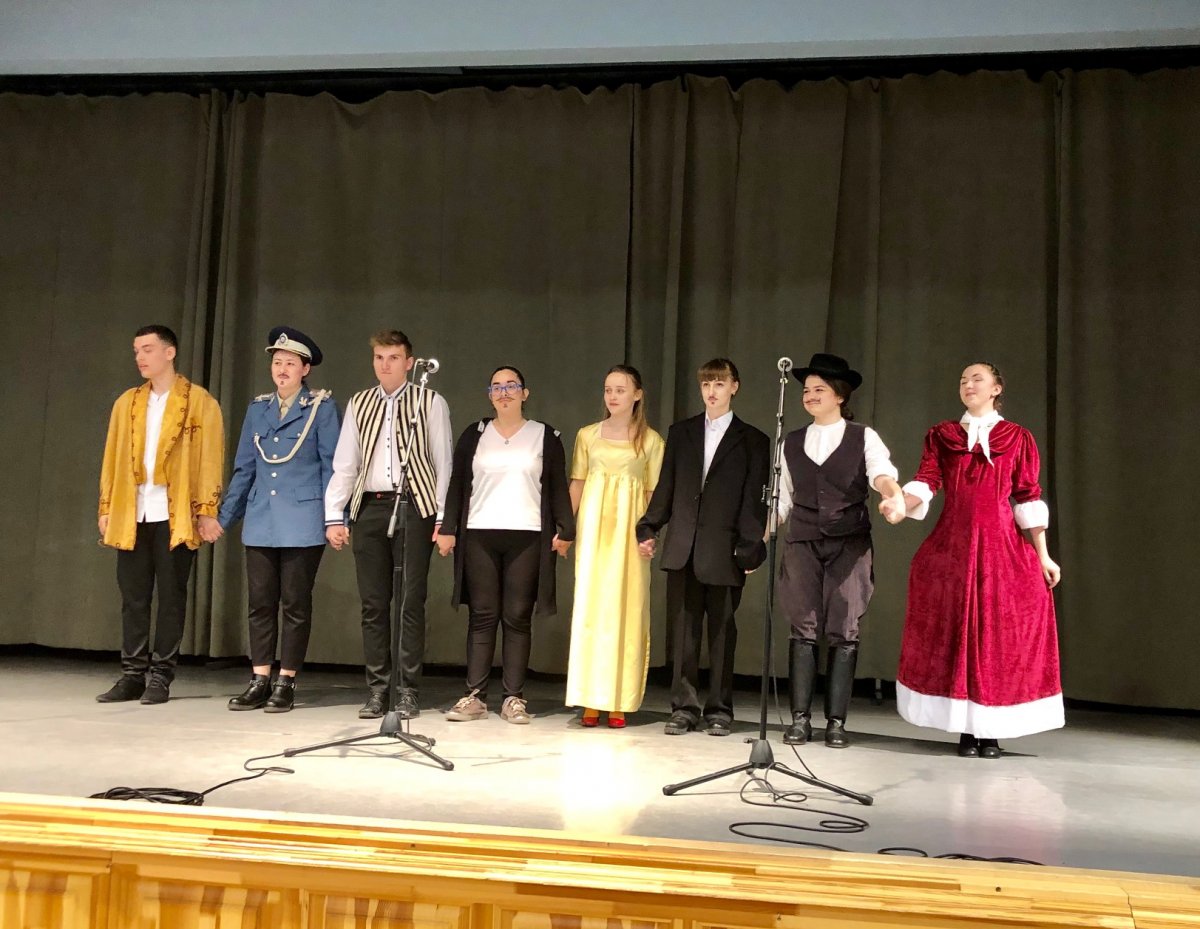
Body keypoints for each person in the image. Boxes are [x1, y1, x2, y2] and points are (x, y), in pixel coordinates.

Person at [895, 362, 1063, 759]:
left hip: (1001, 547)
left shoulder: (1017, 438)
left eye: (977, 379)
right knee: (957, 633)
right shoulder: (943, 435)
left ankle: (991, 733)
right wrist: (901, 503)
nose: (968, 385)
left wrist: (1043, 555)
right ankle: (966, 731)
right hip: (954, 546)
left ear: (996, 388)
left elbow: (1027, 495)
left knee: (995, 638)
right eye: (963, 380)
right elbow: (928, 480)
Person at [776, 353, 905, 749]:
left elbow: (881, 473)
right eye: (806, 390)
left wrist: (893, 495)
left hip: (848, 543)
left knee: (844, 629)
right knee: (803, 627)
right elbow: (782, 499)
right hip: (802, 542)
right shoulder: (790, 441)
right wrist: (758, 536)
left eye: (820, 389)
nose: (810, 396)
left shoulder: (863, 436)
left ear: (840, 395)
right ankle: (800, 719)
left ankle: (836, 722)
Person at [636, 358, 769, 737]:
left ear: (734, 387)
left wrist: (750, 546)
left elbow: (753, 500)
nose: (712, 391)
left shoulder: (753, 440)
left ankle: (720, 708)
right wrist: (649, 526)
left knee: (723, 632)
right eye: (706, 384)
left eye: (719, 384)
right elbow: (668, 485)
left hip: (725, 549)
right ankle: (684, 707)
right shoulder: (682, 432)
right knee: (684, 632)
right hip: (684, 545)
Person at [323, 330, 452, 720]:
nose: (385, 365)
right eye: (379, 357)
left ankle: (407, 690)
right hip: (370, 507)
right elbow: (346, 463)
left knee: (410, 601)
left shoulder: (429, 401)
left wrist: (443, 516)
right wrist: (335, 513)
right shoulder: (360, 403)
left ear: (409, 363)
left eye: (393, 358)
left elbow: (443, 460)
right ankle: (378, 689)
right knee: (373, 603)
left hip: (415, 505)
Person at [436, 366, 575, 724]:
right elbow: (458, 483)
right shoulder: (475, 434)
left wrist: (566, 529)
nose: (504, 392)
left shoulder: (544, 436)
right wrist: (448, 527)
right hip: (479, 533)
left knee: (516, 617)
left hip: (527, 535)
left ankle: (513, 697)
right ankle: (474, 696)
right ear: (490, 395)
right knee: (483, 615)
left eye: (511, 386)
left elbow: (557, 486)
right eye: (496, 387)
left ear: (524, 394)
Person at [96, 324, 224, 705]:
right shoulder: (127, 403)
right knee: (133, 597)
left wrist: (206, 510)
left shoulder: (199, 402)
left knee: (171, 596)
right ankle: (132, 673)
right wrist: (107, 507)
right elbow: (111, 458)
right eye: (137, 350)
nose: (140, 357)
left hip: (175, 513)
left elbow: (210, 460)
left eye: (148, 349)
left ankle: (161, 675)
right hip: (133, 512)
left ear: (170, 353)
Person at [216, 327, 341, 713]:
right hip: (261, 520)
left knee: (295, 604)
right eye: (277, 362)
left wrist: (336, 518)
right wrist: (225, 517)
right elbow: (244, 468)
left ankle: (286, 680)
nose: (282, 369)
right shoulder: (258, 409)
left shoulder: (320, 408)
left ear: (305, 369)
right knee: (260, 603)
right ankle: (259, 678)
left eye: (290, 363)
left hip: (303, 520)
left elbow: (332, 467)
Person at [565, 365, 665, 728]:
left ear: (637, 395)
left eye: (621, 390)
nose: (613, 396)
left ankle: (619, 698)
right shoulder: (587, 435)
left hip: (629, 532)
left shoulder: (651, 441)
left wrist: (649, 534)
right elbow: (577, 484)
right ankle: (590, 698)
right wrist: (565, 529)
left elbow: (653, 494)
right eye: (608, 389)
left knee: (626, 608)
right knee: (591, 607)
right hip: (594, 530)